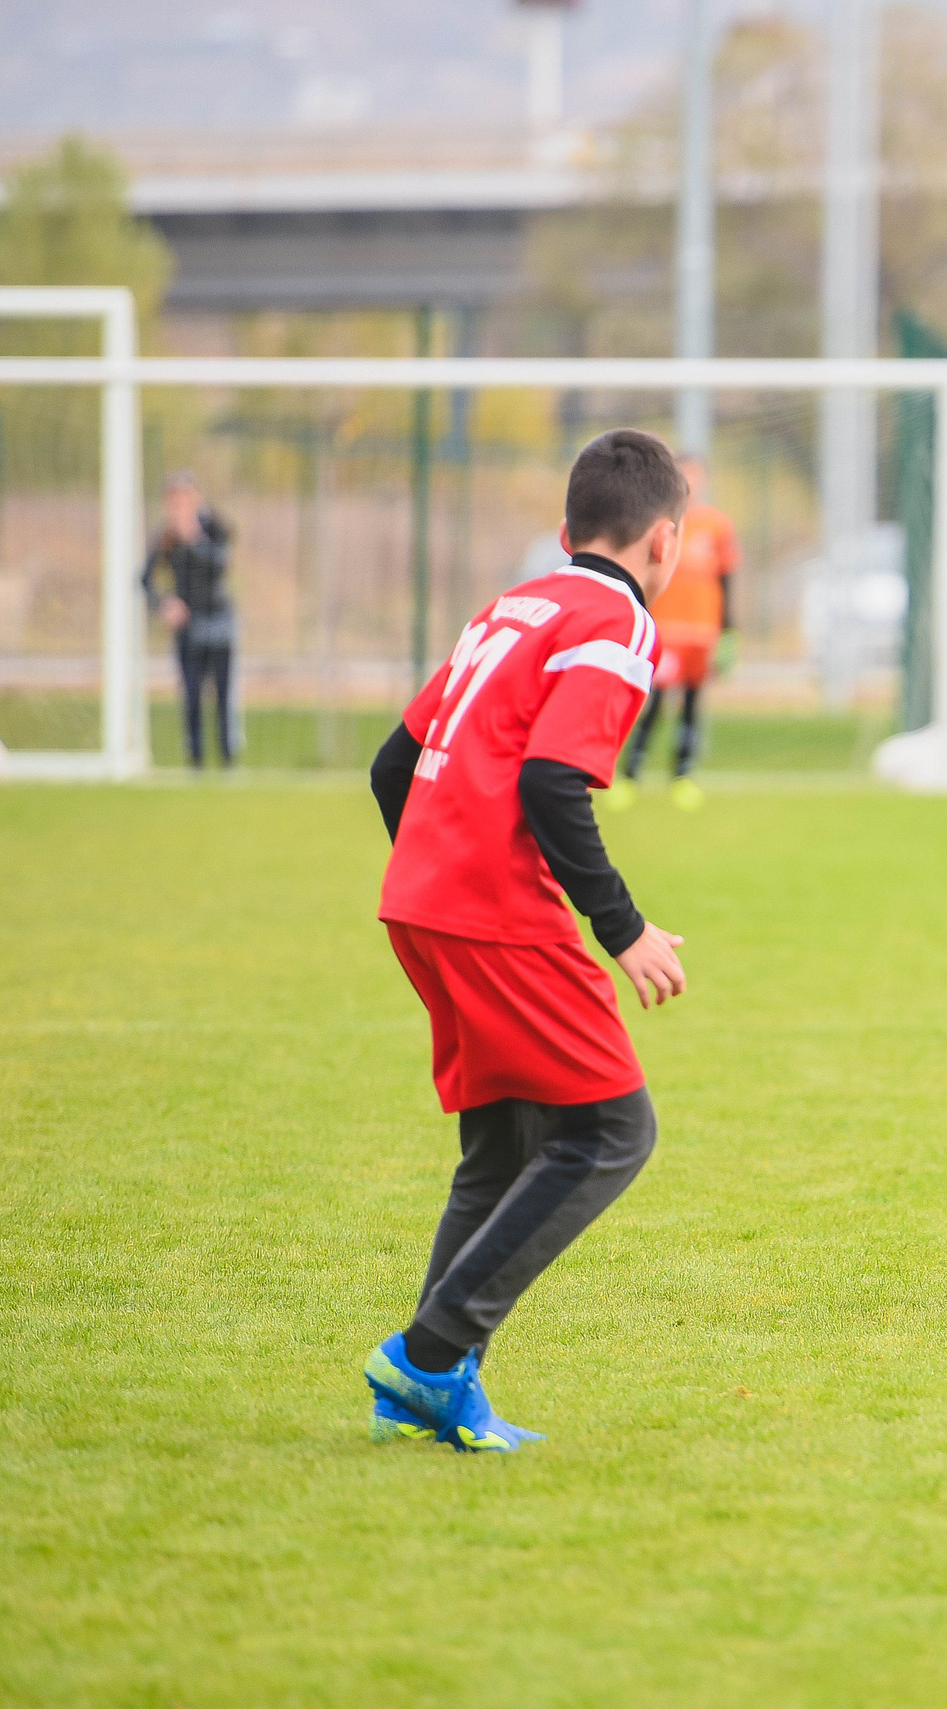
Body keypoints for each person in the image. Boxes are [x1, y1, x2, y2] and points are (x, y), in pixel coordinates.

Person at [360, 428, 692, 1451]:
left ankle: (428, 1387)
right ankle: (427, 1351)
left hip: (418, 898)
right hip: (492, 911)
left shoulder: (512, 606)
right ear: (664, 543)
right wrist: (623, 929)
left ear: (565, 531)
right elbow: (553, 779)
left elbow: (391, 764)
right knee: (612, 1130)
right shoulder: (619, 622)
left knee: (502, 1148)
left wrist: (437, 875)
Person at [615, 453, 738, 811]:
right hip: (665, 630)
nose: (691, 483)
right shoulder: (657, 523)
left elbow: (726, 578)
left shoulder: (717, 526)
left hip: (701, 632)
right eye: (684, 476)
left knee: (692, 705)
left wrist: (728, 630)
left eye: (696, 476)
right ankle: (630, 774)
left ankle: (683, 776)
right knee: (651, 702)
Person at [140, 473, 236, 768]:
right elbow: (145, 580)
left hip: (218, 621)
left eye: (184, 499)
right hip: (188, 627)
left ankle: (227, 759)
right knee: (192, 692)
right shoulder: (165, 537)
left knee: (222, 693)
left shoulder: (214, 527)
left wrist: (194, 539)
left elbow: (219, 566)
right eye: (173, 501)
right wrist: (165, 604)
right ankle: (195, 760)